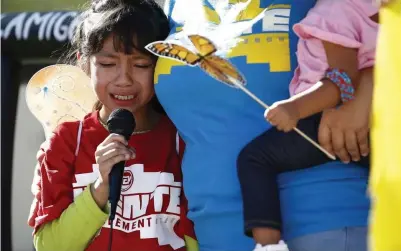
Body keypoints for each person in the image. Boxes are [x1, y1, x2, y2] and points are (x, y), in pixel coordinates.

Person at [154, 0, 372, 251]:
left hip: (325, 224)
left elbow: (400, 45)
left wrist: (367, 87)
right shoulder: (173, 6)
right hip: (215, 234)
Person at [27, 0, 196, 250]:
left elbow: (198, 237)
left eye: (141, 65)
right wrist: (100, 190)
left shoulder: (184, 139)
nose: (124, 80)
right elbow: (49, 245)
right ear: (84, 62)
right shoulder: (65, 143)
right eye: (107, 64)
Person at [236, 0, 378, 249]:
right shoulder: (397, 15)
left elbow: (343, 81)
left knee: (254, 159)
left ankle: (268, 244)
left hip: (324, 120)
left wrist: (294, 108)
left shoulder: (336, 10)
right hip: (380, 127)